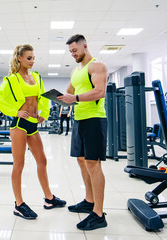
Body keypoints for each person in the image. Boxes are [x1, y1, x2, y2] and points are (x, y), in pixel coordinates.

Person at [0, 44, 66, 220]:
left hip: (33, 123)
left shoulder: (37, 77)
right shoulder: (12, 79)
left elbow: (44, 97)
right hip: (19, 123)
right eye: (29, 58)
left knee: (42, 159)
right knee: (19, 164)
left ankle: (49, 199)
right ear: (19, 58)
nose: (32, 61)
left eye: (33, 58)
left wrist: (44, 114)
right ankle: (18, 204)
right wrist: (13, 111)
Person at [57, 34, 108, 230]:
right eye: (70, 52)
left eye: (75, 51)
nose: (72, 54)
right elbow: (67, 94)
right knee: (81, 160)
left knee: (93, 164)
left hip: (94, 119)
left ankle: (99, 213)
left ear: (85, 46)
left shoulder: (97, 66)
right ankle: (89, 200)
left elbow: (99, 91)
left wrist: (75, 97)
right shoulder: (76, 71)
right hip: (79, 119)